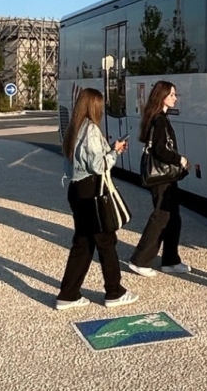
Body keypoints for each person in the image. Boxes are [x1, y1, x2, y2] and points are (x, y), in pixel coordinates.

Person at [56, 87, 138, 310]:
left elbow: (72, 163)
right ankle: (114, 291)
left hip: (76, 189)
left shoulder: (73, 128)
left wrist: (110, 149)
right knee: (106, 240)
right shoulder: (91, 129)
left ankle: (68, 293)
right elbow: (99, 166)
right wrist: (115, 152)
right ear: (95, 107)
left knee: (83, 243)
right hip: (92, 191)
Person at [128, 81, 191, 277]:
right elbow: (160, 149)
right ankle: (139, 260)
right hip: (162, 177)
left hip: (163, 177)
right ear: (162, 96)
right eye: (171, 94)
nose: (175, 98)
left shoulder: (156, 118)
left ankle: (170, 260)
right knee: (161, 217)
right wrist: (179, 159)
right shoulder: (160, 120)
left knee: (173, 218)